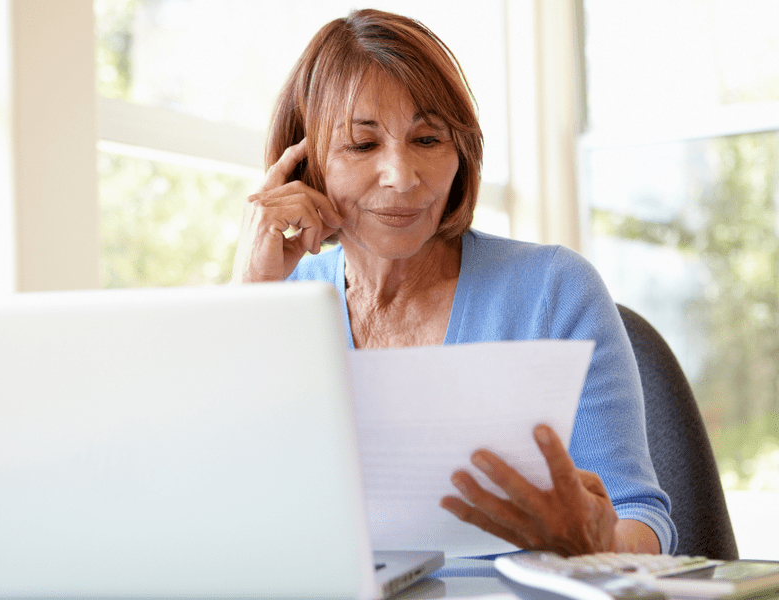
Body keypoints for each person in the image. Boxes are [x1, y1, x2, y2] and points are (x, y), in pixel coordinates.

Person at [232, 8, 677, 556]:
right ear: (306, 164)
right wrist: (250, 300)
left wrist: (596, 544)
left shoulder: (554, 290)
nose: (402, 176)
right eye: (363, 144)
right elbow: (225, 513)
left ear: (460, 152)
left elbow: (641, 519)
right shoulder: (276, 304)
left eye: (427, 139)